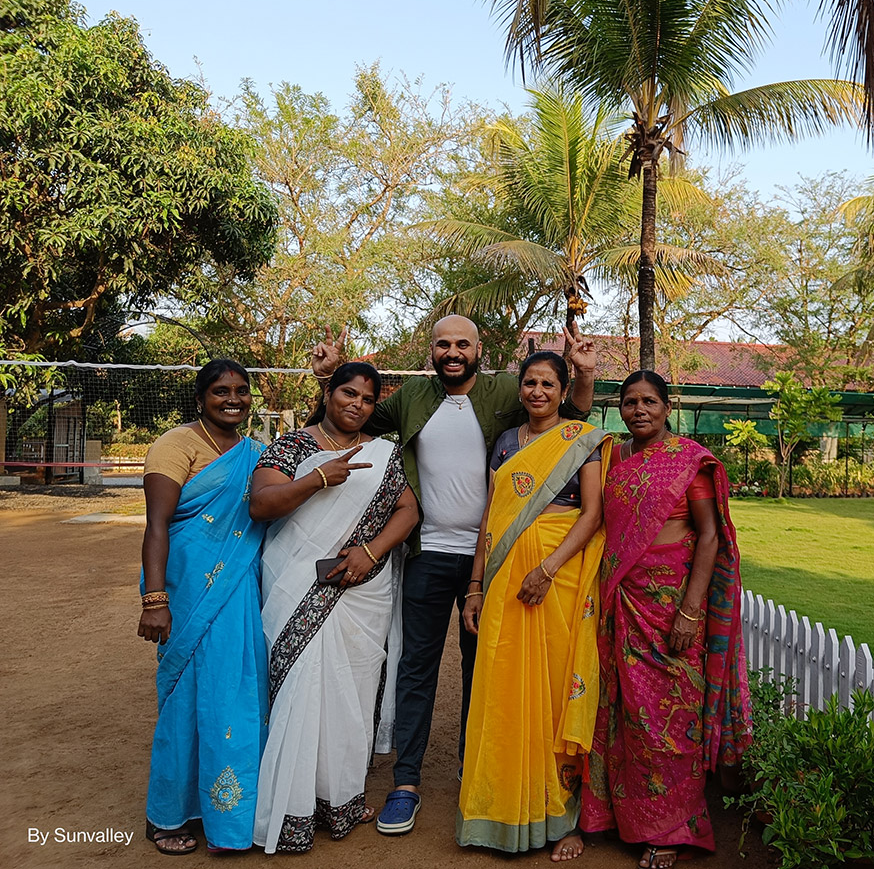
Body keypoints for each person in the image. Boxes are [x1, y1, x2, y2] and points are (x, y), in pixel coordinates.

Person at [308, 315, 596, 836]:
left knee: (483, 669)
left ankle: (474, 770)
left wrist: (582, 375)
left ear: (480, 348)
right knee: (415, 667)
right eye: (443, 344)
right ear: (431, 351)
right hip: (427, 553)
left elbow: (568, 424)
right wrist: (328, 380)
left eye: (463, 343)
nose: (453, 351)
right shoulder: (411, 397)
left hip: (494, 560)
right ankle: (407, 783)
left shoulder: (506, 389)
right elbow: (347, 422)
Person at [580, 370, 752, 869]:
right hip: (622, 601)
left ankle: (673, 826)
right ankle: (621, 815)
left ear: (666, 406)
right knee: (624, 712)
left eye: (649, 401)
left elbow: (710, 537)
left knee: (670, 718)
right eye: (630, 402)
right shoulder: (613, 458)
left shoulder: (688, 462)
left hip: (670, 604)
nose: (639, 410)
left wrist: (691, 609)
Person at [248, 362, 420, 854]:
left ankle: (340, 799)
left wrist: (371, 551)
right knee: (301, 689)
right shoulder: (292, 446)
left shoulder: (383, 454)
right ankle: (293, 806)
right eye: (348, 393)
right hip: (298, 585)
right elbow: (261, 505)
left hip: (362, 590)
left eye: (367, 400)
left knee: (353, 695)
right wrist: (318, 479)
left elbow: (408, 510)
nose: (356, 405)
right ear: (328, 392)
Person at [457, 351, 611, 860]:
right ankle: (498, 808)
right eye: (530, 382)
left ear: (564, 390)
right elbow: (489, 519)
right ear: (519, 388)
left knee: (552, 688)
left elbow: (591, 515)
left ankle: (562, 814)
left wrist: (547, 569)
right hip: (503, 579)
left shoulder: (582, 439)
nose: (537, 391)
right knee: (503, 688)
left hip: (557, 576)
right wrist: (475, 587)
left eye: (548, 383)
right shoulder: (504, 443)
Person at [138, 359, 268, 855]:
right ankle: (167, 816)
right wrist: (155, 600)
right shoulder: (176, 445)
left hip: (238, 592)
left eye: (240, 390)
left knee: (237, 696)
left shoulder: (253, 453)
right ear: (200, 398)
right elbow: (157, 527)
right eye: (220, 391)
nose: (232, 399)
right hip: (189, 591)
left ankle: (230, 813)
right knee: (185, 702)